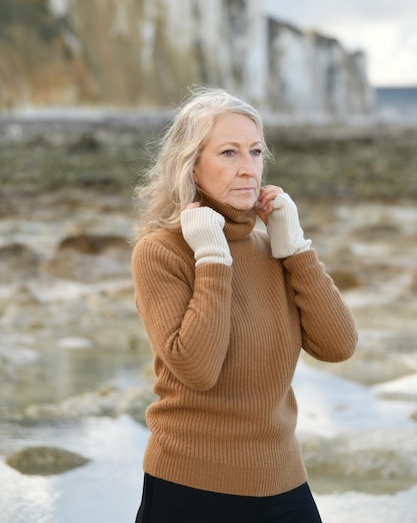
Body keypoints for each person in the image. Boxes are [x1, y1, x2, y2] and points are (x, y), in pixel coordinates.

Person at [131, 86, 357, 523]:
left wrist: (295, 248)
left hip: (284, 483)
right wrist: (213, 256)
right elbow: (197, 367)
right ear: (192, 166)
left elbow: (339, 344)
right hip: (190, 489)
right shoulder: (161, 252)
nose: (248, 169)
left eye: (255, 152)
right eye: (229, 153)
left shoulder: (273, 248)